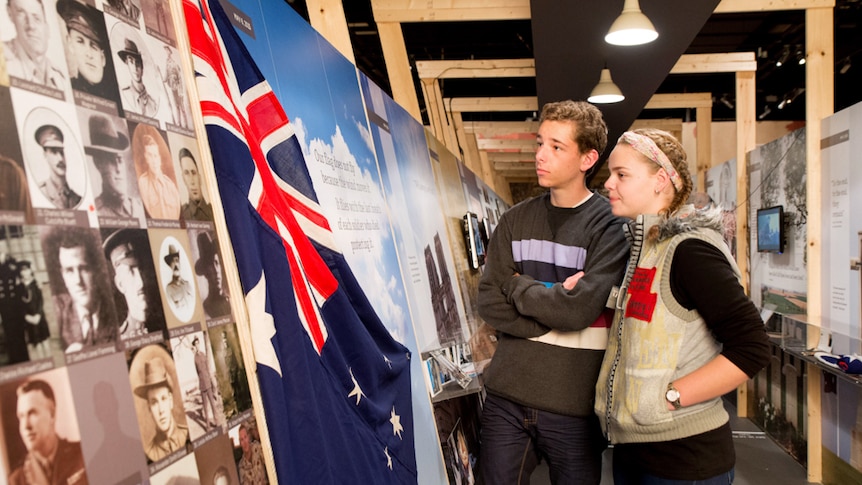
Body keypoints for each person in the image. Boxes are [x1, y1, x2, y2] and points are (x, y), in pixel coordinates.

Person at [595, 128, 770, 484]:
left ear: (660, 180)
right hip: (634, 452)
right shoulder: (645, 249)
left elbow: (752, 347)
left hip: (686, 460)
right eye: (610, 174)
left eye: (621, 175)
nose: (608, 184)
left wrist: (670, 398)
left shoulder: (690, 251)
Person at [477, 100, 629, 484]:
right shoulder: (514, 220)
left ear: (587, 158)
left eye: (557, 147)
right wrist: (549, 311)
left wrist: (517, 284)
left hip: (573, 406)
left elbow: (578, 311)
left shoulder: (609, 228)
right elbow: (489, 300)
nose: (541, 155)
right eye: (540, 143)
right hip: (505, 397)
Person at [44, 226, 117, 352]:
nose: (78, 281)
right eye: (69, 271)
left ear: (96, 270)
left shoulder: (114, 310)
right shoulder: (57, 309)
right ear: (63, 275)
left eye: (83, 269)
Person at [8, 379, 88, 485]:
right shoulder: (16, 481)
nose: (25, 426)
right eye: (21, 417)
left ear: (52, 414)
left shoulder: (83, 454)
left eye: (32, 413)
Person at [103, 228, 165, 339]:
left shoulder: (166, 326)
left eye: (142, 270)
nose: (141, 283)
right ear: (120, 284)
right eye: (131, 271)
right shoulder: (120, 339)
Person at [86, 114, 145, 220]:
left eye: (120, 160)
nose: (118, 169)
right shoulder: (96, 212)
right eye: (111, 161)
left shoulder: (140, 206)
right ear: (98, 163)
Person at [133, 355, 190, 462]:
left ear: (170, 401)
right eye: (154, 403)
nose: (161, 410)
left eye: (163, 399)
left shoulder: (187, 434)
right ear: (149, 408)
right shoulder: (150, 453)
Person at [3, 0, 66, 89]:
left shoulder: (60, 78)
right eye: (21, 14)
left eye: (37, 18)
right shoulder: (4, 62)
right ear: (10, 14)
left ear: (47, 29)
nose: (31, 25)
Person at [56, 0, 113, 98]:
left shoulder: (113, 96)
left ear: (103, 58)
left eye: (93, 46)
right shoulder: (66, 87)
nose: (89, 54)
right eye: (80, 42)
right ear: (70, 44)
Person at [134, 128, 180, 219]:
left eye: (155, 156)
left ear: (159, 158)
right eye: (150, 156)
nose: (154, 160)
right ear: (146, 158)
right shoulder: (143, 184)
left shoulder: (170, 186)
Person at [34, 124, 82, 210]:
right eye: (54, 152)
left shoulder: (78, 199)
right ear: (45, 155)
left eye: (61, 152)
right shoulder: (39, 193)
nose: (60, 159)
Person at [0, 247, 28, 364]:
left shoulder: (10, 263)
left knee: (19, 332)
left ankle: (23, 356)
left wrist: (6, 258)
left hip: (15, 306)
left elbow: (16, 268)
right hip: (4, 308)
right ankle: (15, 358)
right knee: (10, 333)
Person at [117, 39, 158, 117]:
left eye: (138, 62)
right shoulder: (124, 95)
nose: (135, 67)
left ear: (142, 67)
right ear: (127, 63)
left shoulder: (153, 104)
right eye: (131, 62)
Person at [20, 261, 50, 360]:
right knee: (36, 343)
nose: (25, 273)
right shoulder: (20, 287)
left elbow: (40, 301)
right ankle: (42, 362)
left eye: (27, 270)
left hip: (39, 317)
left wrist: (38, 315)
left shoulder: (36, 284)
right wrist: (26, 316)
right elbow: (19, 304)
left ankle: (50, 361)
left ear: (30, 271)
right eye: (22, 271)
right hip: (29, 319)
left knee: (45, 341)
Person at [195, 231, 229, 318]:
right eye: (211, 265)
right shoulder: (206, 308)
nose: (216, 270)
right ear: (205, 273)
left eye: (217, 263)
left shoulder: (230, 301)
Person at [190, 335, 220, 429]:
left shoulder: (203, 355)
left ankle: (217, 422)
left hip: (208, 384)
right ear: (194, 346)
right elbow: (197, 372)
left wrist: (211, 382)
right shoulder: (195, 358)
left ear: (199, 344)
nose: (197, 345)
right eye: (195, 344)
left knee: (213, 405)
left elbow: (207, 369)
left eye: (198, 343)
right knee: (205, 406)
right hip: (202, 386)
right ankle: (207, 425)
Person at [179, 148, 213, 221]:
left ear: (199, 177)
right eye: (187, 173)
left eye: (193, 173)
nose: (192, 181)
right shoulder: (182, 215)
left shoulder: (213, 210)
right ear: (183, 179)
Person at [164, 244, 193, 313]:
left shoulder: (188, 284)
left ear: (180, 263)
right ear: (170, 266)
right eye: (172, 262)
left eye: (176, 260)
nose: (175, 264)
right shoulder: (169, 289)